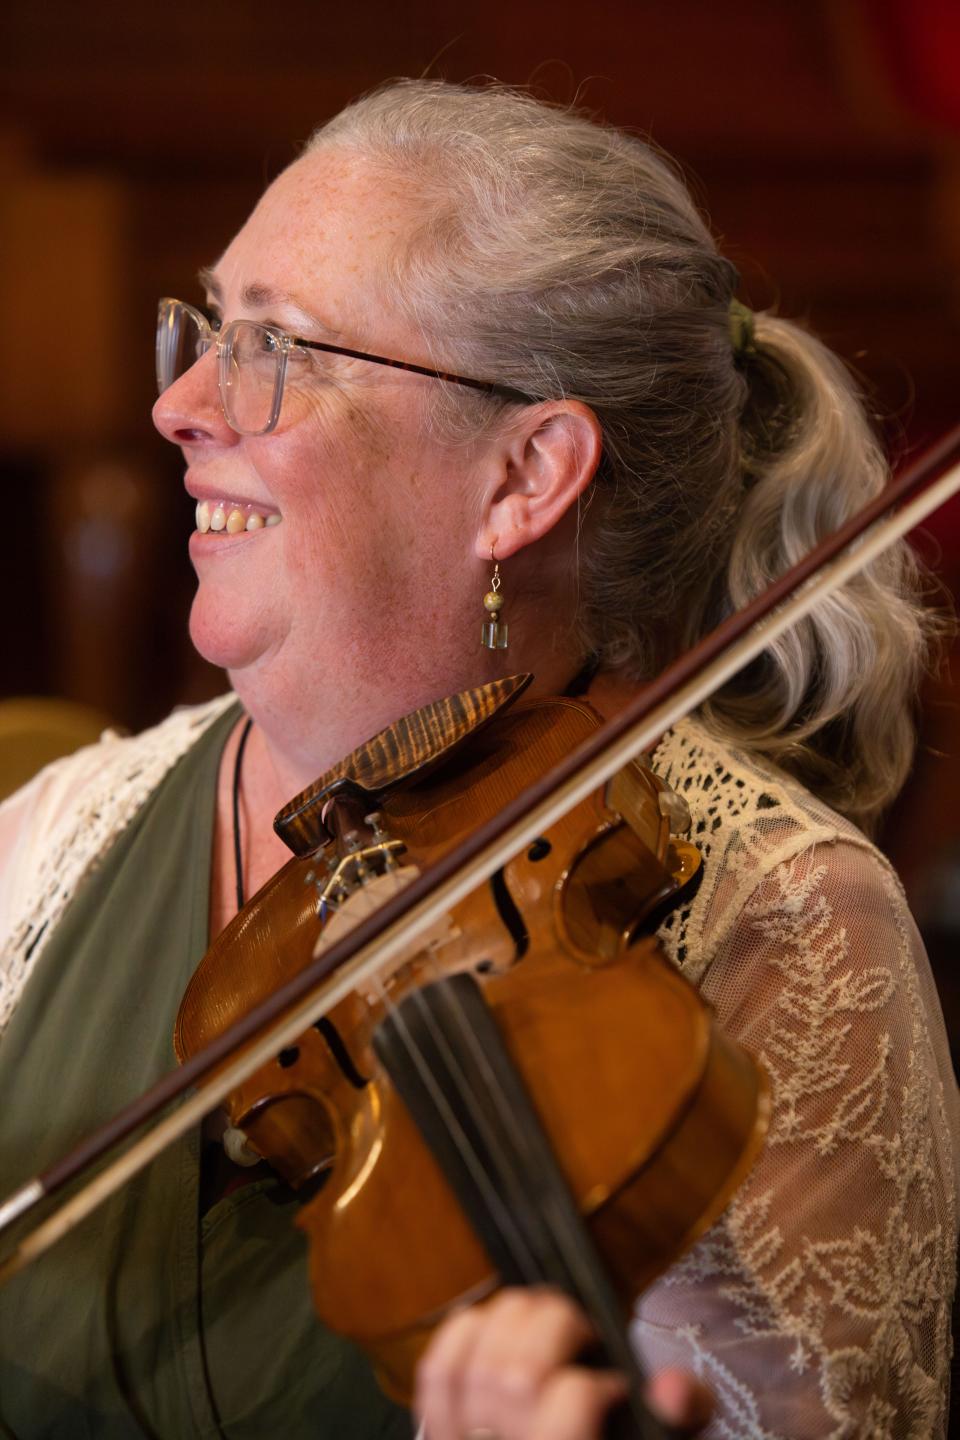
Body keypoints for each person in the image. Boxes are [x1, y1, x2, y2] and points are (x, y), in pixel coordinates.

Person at [0, 78, 956, 1440]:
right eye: (210, 328)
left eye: (281, 346)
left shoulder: (781, 928)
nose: (184, 406)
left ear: (524, 477)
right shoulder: (57, 840)